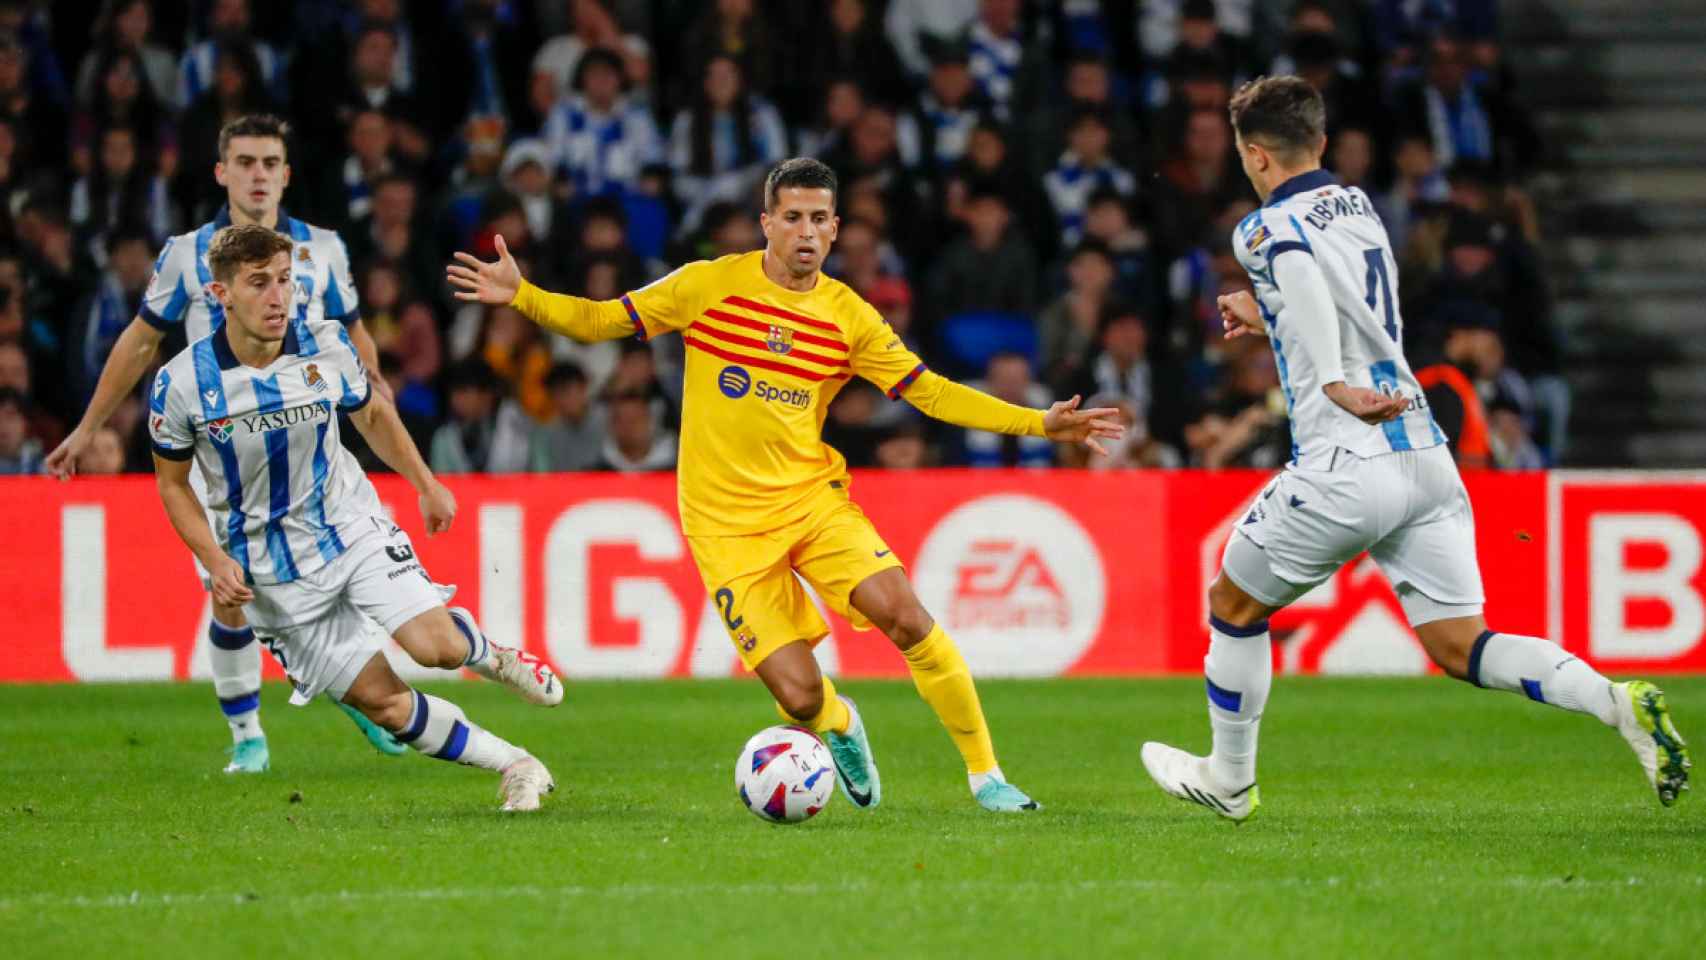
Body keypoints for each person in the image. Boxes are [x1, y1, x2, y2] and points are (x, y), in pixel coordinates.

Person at [450, 157, 1123, 812]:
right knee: (800, 696)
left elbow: (933, 394)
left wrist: (1039, 423)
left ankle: (987, 777)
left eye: (820, 219)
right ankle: (838, 723)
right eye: (793, 216)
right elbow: (600, 320)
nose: (806, 231)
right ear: (765, 222)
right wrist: (523, 296)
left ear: (835, 231)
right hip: (725, 529)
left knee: (907, 615)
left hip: (810, 502)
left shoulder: (849, 316)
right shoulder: (708, 285)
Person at [1140, 76, 1690, 820]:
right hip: (1425, 455)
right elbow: (1345, 306)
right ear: (1323, 144)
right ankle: (1614, 702)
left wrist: (1327, 377)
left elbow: (1301, 273)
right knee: (1464, 644)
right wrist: (1269, 311)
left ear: (1256, 156)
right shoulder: (1361, 206)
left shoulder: (1262, 228)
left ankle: (1230, 781)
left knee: (1232, 603)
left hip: (1346, 457)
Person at [149, 224, 562, 811]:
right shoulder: (183, 383)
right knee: (385, 705)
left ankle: (491, 655)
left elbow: (371, 417)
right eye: (259, 283)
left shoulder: (325, 345)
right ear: (221, 294)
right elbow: (172, 485)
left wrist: (425, 483)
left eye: (285, 281)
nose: (277, 296)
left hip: (347, 527)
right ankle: (517, 765)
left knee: (436, 648)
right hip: (269, 572)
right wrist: (214, 559)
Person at [46, 114, 399, 774]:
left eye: (270, 162)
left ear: (286, 173)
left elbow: (354, 334)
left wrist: (373, 384)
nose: (258, 174)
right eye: (245, 162)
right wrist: (88, 427)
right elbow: (142, 341)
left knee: (340, 584)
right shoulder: (187, 253)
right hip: (222, 459)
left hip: (309, 454)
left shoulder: (322, 248)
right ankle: (247, 737)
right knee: (232, 593)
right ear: (222, 172)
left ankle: (358, 691)